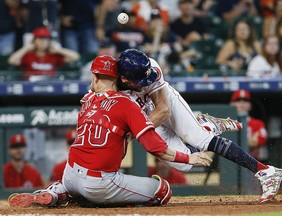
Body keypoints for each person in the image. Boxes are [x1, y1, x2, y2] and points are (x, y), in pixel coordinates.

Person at [8, 55, 212, 208]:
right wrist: (189, 159)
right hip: (99, 183)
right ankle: (91, 199)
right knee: (162, 191)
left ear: (95, 77)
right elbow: (155, 147)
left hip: (69, 174)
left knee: (78, 181)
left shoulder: (87, 101)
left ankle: (58, 193)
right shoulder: (128, 104)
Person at [116, 48, 282, 203]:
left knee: (200, 139)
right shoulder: (112, 83)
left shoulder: (151, 67)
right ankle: (209, 126)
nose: (146, 81)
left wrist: (134, 133)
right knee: (184, 164)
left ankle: (265, 171)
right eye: (141, 80)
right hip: (144, 115)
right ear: (124, 79)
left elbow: (164, 110)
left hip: (164, 103)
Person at [230, 89, 268, 194]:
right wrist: (248, 140)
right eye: (238, 100)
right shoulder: (225, 123)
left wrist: (234, 140)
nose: (241, 103)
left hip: (251, 166)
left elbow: (256, 142)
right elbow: (249, 142)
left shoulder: (257, 123)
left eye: (245, 100)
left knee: (252, 197)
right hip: (229, 167)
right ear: (231, 103)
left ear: (250, 105)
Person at [8, 27, 80, 81]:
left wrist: (59, 50)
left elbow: (76, 57)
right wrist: (26, 48)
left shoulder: (54, 55)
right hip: (30, 85)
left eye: (46, 39)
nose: (43, 41)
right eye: (40, 38)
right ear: (34, 40)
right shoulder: (28, 55)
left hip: (51, 84)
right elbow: (11, 61)